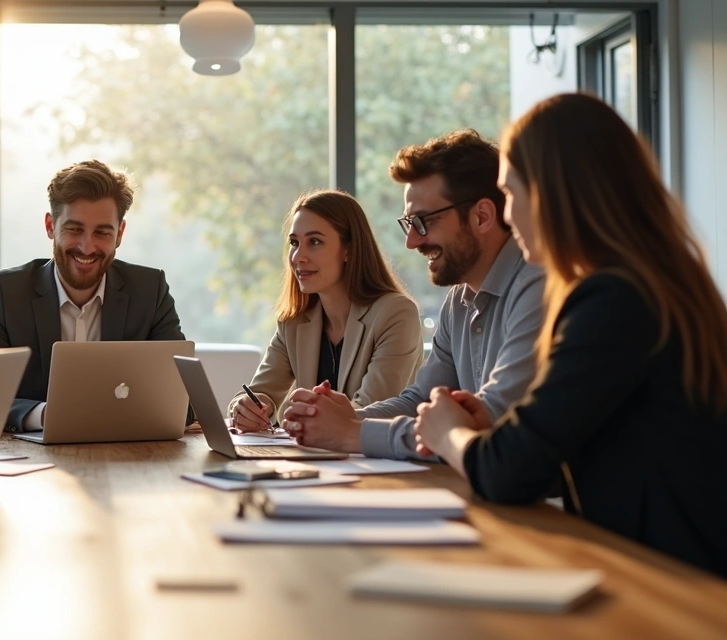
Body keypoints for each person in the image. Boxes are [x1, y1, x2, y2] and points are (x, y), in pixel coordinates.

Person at [414, 93, 727, 578]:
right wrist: (489, 430)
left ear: (555, 192)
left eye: (512, 193)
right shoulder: (656, 283)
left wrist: (448, 433)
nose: (508, 216)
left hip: (675, 586)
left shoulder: (613, 299)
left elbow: (509, 471)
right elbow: (556, 450)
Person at [280, 130, 545, 460]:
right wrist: (345, 419)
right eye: (409, 224)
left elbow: (493, 418)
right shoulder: (458, 301)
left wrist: (351, 433)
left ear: (482, 216)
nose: (412, 242)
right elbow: (420, 399)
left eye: (423, 222)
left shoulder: (537, 286)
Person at [0, 159, 186, 432]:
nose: (87, 247)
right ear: (50, 225)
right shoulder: (6, 293)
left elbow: (185, 403)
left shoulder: (150, 291)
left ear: (120, 233)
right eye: (74, 229)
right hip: (34, 454)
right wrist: (45, 415)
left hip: (127, 452)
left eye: (102, 232)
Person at [229, 189, 423, 432]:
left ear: (349, 250)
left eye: (315, 242)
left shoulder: (396, 314)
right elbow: (260, 392)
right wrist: (246, 408)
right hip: (309, 453)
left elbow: (372, 412)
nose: (298, 257)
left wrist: (297, 412)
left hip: (373, 453)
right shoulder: (294, 322)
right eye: (294, 243)